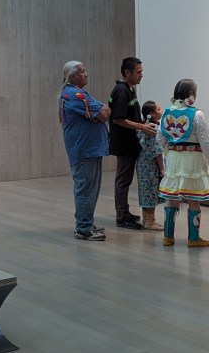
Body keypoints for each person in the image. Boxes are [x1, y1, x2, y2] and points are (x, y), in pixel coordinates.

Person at [157, 79, 209, 248]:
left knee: (172, 197)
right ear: (191, 94)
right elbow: (207, 143)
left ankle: (168, 236)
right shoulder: (197, 114)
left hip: (173, 158)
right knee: (193, 198)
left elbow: (160, 138)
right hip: (192, 159)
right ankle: (193, 238)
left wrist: (168, 152)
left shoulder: (166, 113)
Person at [59, 61, 111, 241]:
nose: (86, 74)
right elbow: (103, 114)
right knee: (85, 189)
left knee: (90, 189)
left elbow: (102, 111)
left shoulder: (76, 93)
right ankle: (83, 228)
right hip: (85, 149)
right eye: (82, 72)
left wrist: (101, 111)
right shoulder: (75, 95)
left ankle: (86, 221)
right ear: (72, 76)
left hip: (89, 149)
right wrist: (102, 112)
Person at [108, 57, 158, 229]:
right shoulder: (121, 91)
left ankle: (125, 212)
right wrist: (141, 127)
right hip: (124, 144)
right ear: (127, 72)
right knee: (123, 180)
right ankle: (121, 216)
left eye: (141, 72)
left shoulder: (129, 89)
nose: (141, 75)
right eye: (138, 72)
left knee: (126, 180)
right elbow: (118, 119)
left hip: (131, 143)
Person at [135, 100, 165, 230]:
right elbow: (157, 151)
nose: (161, 110)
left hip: (142, 163)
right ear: (152, 114)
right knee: (151, 191)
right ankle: (150, 221)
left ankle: (146, 219)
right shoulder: (152, 129)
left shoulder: (144, 126)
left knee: (145, 190)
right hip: (150, 165)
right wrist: (162, 168)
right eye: (158, 109)